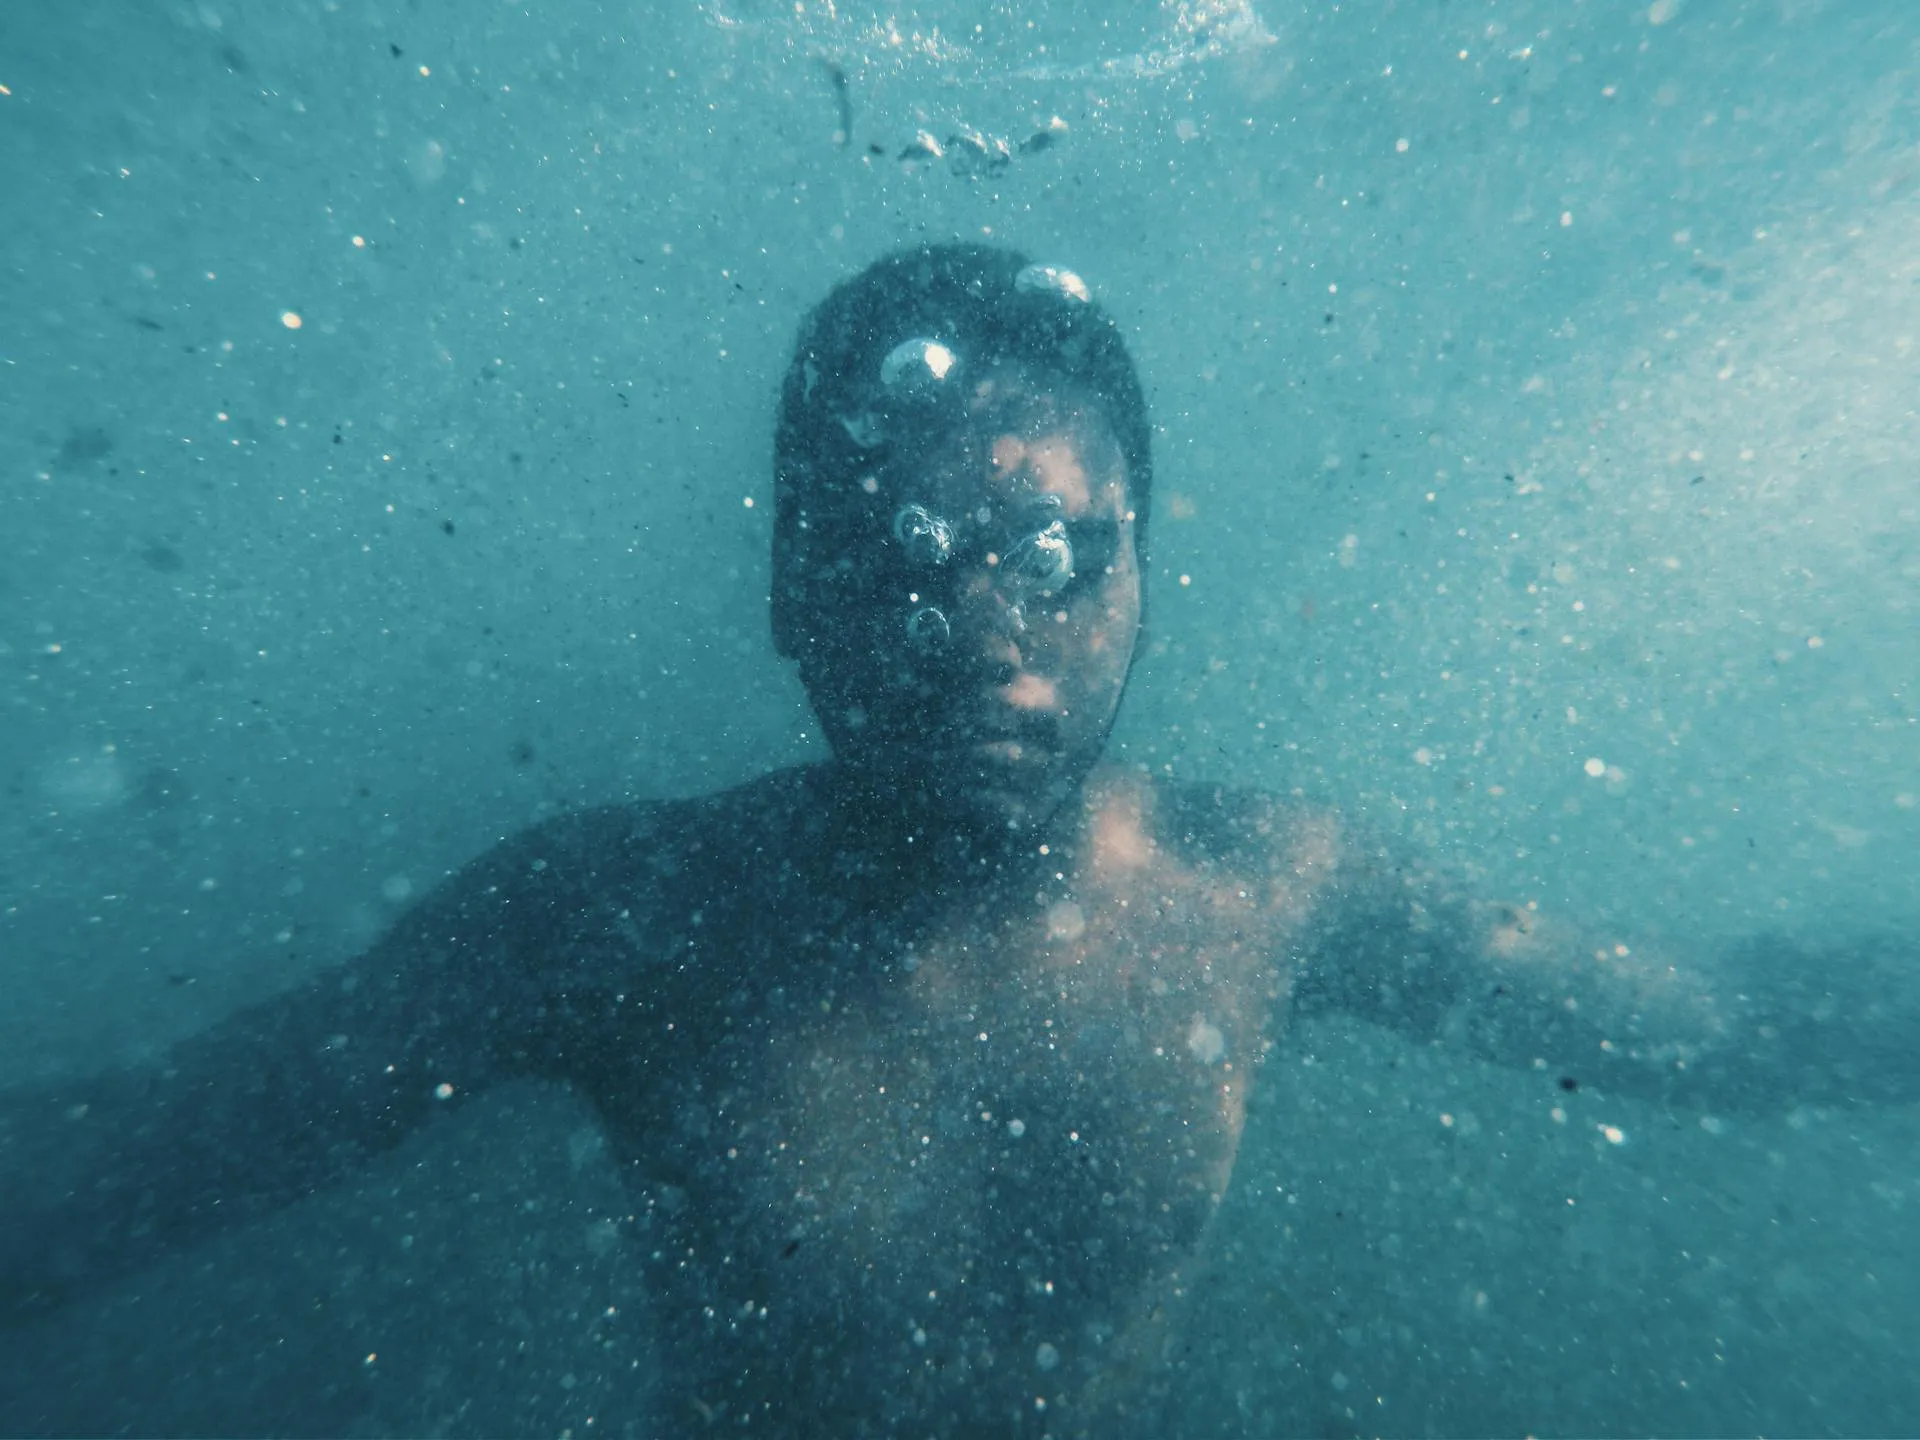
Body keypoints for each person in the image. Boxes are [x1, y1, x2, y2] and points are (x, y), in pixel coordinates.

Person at [1, 243, 1913, 1437]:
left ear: (1145, 580)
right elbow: (160, 1153)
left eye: (1060, 552)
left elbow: (1710, 1023)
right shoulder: (621, 915)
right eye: (903, 553)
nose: (986, 628)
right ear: (789, 592)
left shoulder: (1265, 890)